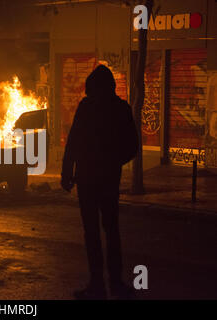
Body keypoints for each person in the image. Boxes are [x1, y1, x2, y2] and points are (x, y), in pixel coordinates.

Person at [61, 65, 139, 300]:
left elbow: (73, 142)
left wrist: (67, 173)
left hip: (87, 180)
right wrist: (114, 162)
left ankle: (97, 285)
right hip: (107, 180)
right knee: (111, 231)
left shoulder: (87, 107)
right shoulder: (121, 108)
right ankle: (115, 283)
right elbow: (132, 146)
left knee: (92, 233)